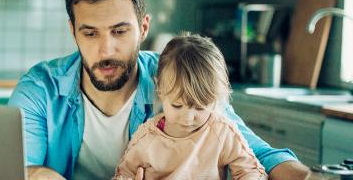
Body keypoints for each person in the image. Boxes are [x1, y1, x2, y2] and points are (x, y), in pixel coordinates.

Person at [8, 0, 311, 179]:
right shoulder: (39, 89)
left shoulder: (176, 76)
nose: (106, 50)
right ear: (72, 30)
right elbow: (17, 169)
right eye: (90, 33)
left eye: (119, 31)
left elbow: (259, 154)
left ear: (143, 28)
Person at [114, 34, 267, 180]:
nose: (188, 118)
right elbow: (123, 174)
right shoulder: (146, 138)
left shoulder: (222, 133)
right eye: (177, 106)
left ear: (216, 99)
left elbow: (251, 171)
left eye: (200, 108)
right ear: (160, 90)